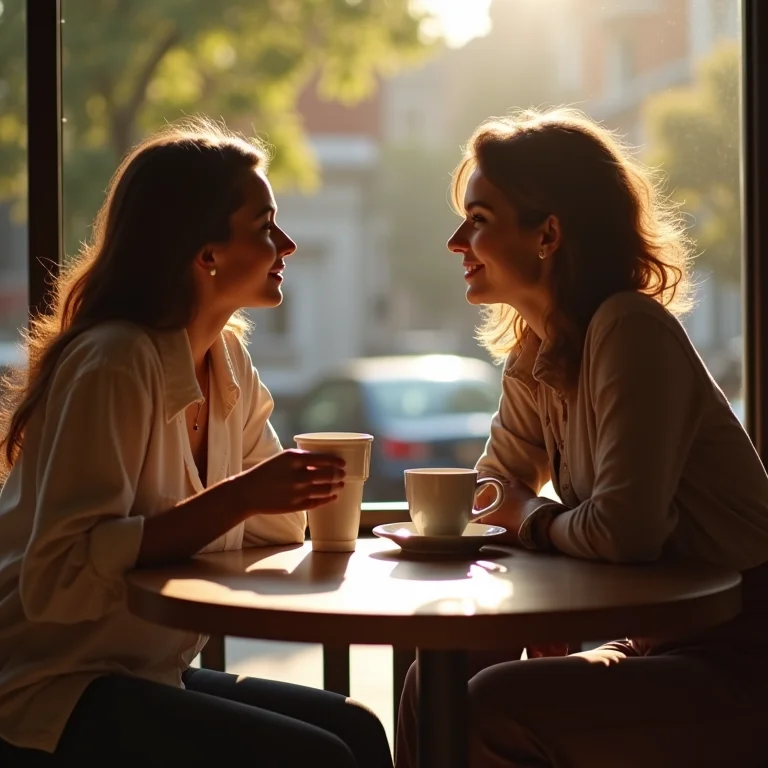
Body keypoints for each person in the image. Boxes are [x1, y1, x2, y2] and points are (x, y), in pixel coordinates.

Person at [0, 117, 392, 767]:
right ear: (204, 253)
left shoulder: (227, 359)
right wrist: (241, 497)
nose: (287, 244)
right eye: (266, 227)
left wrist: (281, 496)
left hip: (143, 671)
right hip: (48, 685)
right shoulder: (116, 360)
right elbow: (57, 576)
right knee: (319, 756)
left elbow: (277, 525)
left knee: (357, 730)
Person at [396, 108, 768, 768]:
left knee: (490, 707)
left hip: (741, 658)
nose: (456, 240)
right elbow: (489, 494)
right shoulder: (536, 349)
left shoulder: (630, 329)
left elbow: (623, 533)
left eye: (479, 220)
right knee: (438, 683)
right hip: (660, 641)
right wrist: (527, 517)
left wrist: (531, 517)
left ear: (549, 234)